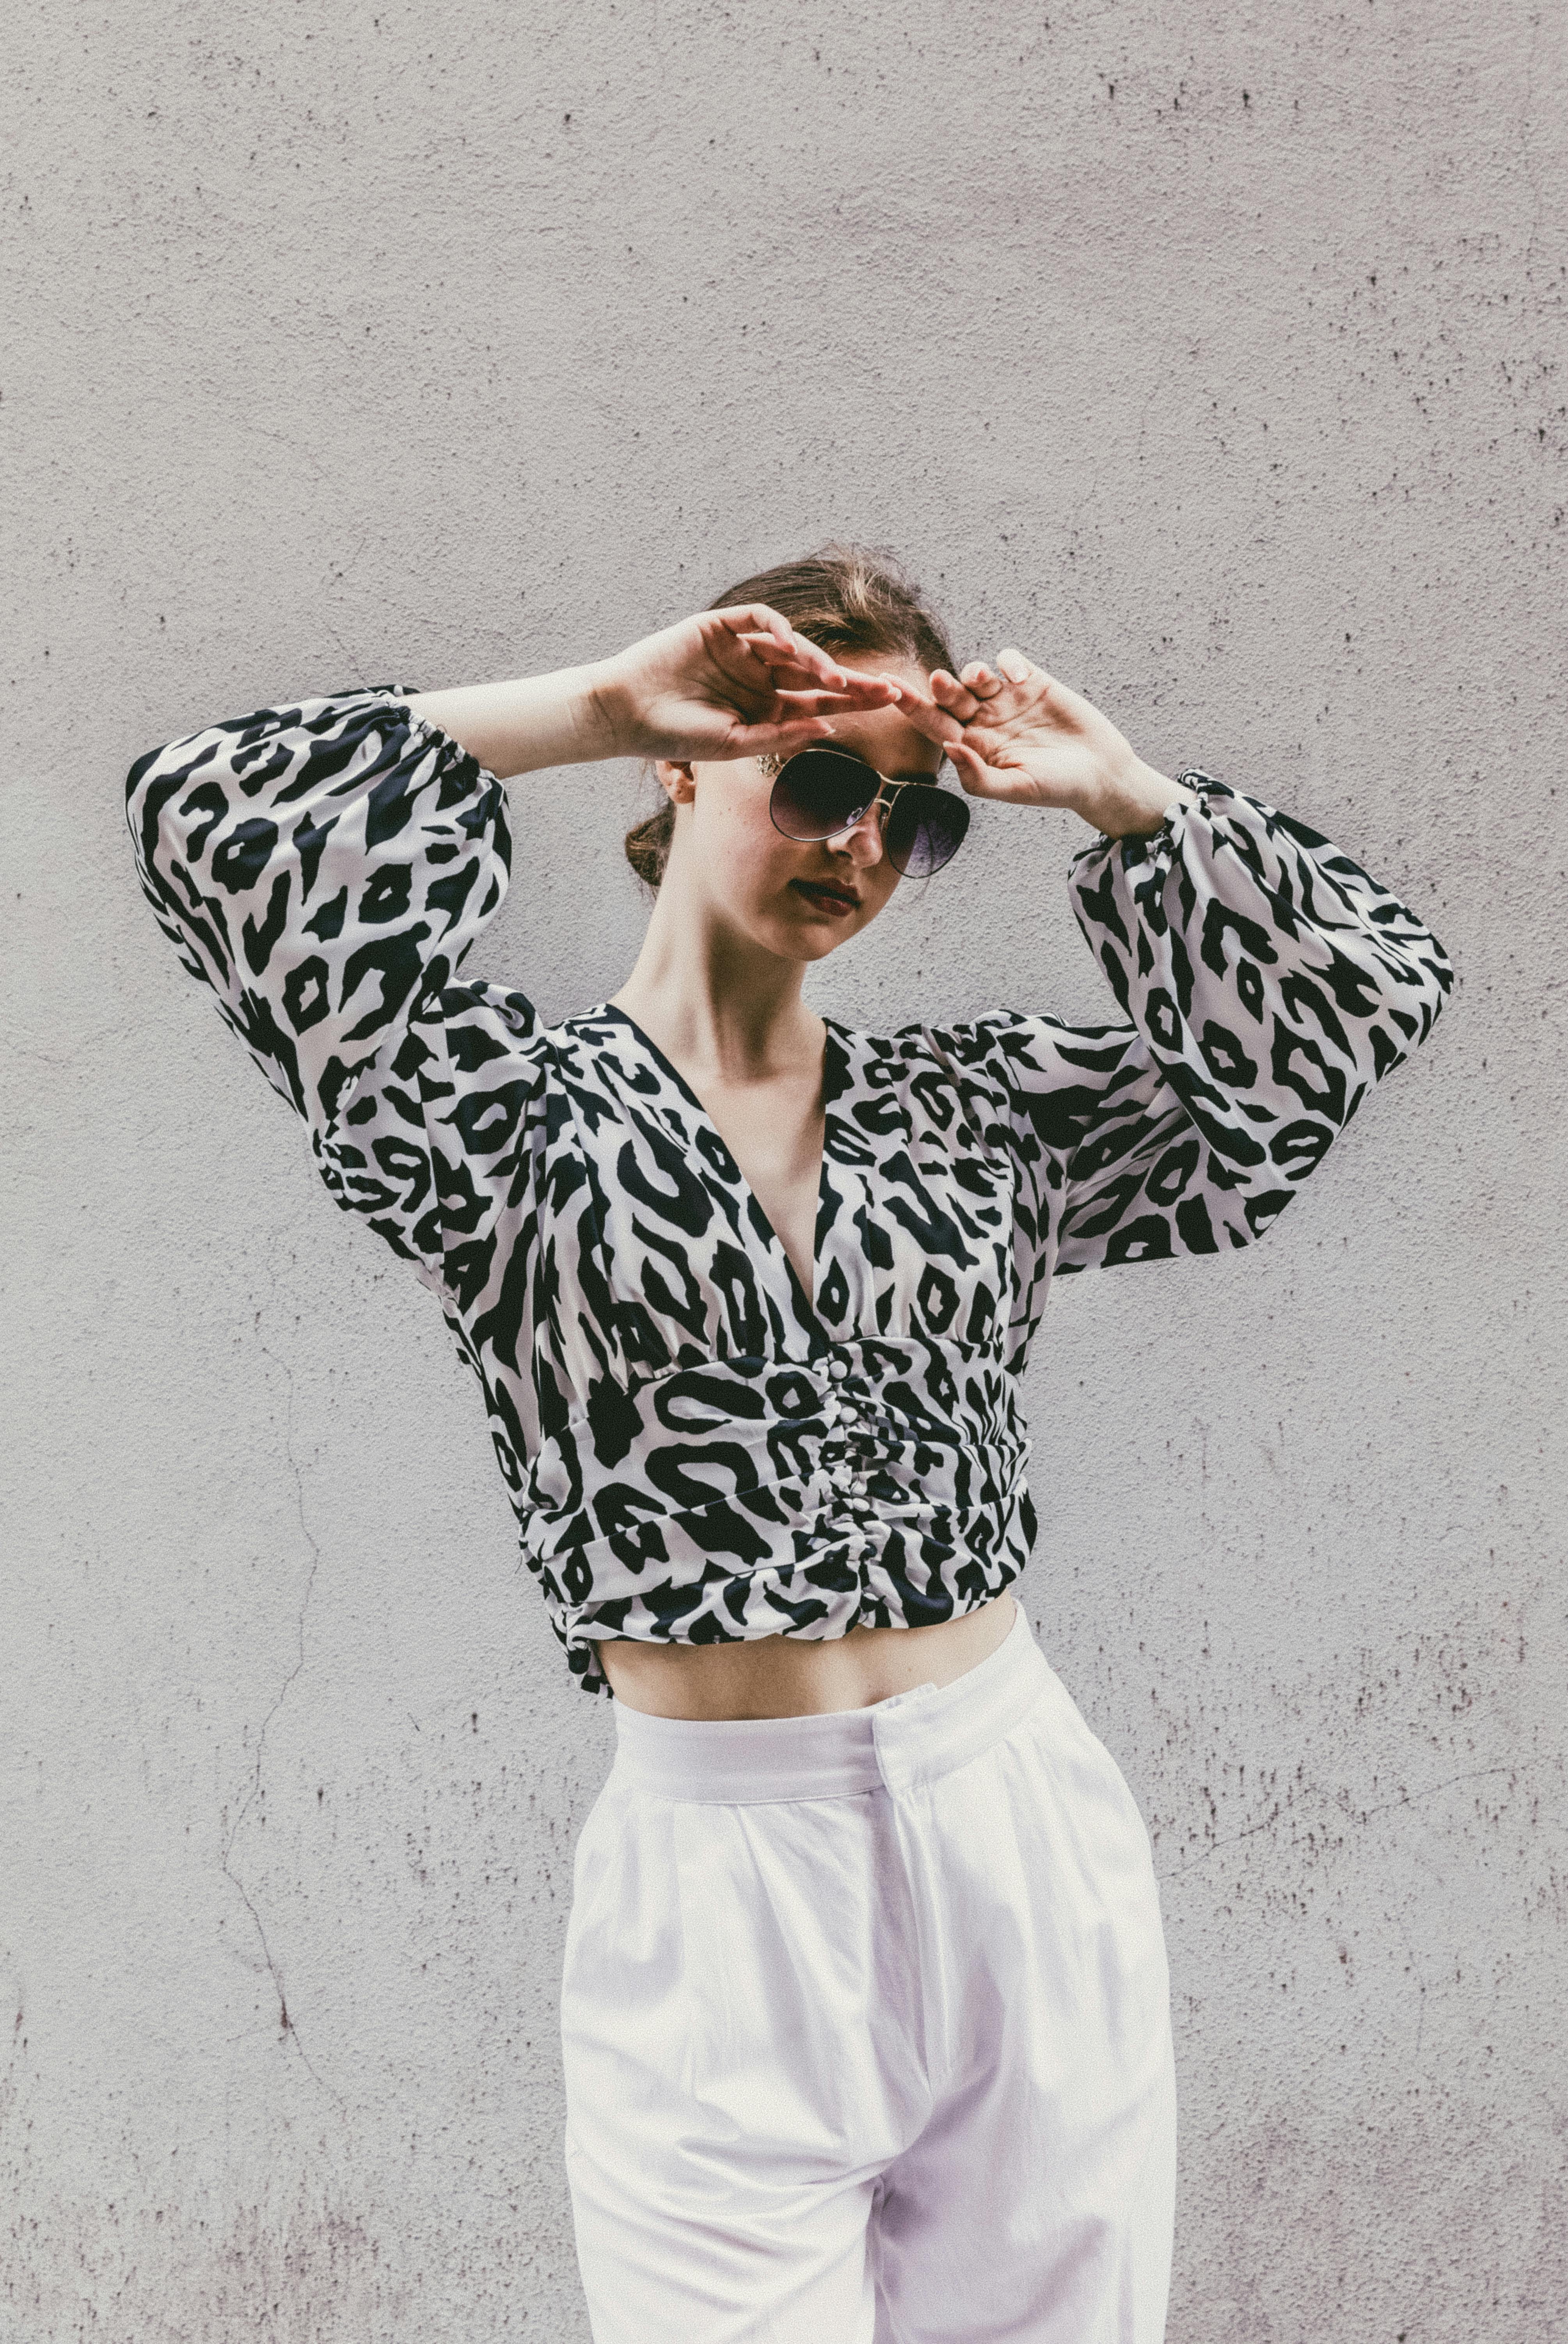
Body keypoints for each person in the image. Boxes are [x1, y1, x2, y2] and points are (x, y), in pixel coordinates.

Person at [126, 547, 1451, 2343]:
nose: (861, 846)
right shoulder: (497, 1127)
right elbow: (213, 814)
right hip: (720, 1892)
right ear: (690, 769)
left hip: (1020, 1835)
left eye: (916, 822)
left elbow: (1352, 1013)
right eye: (820, 782)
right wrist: (596, 704)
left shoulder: (983, 1117)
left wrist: (1124, 799)